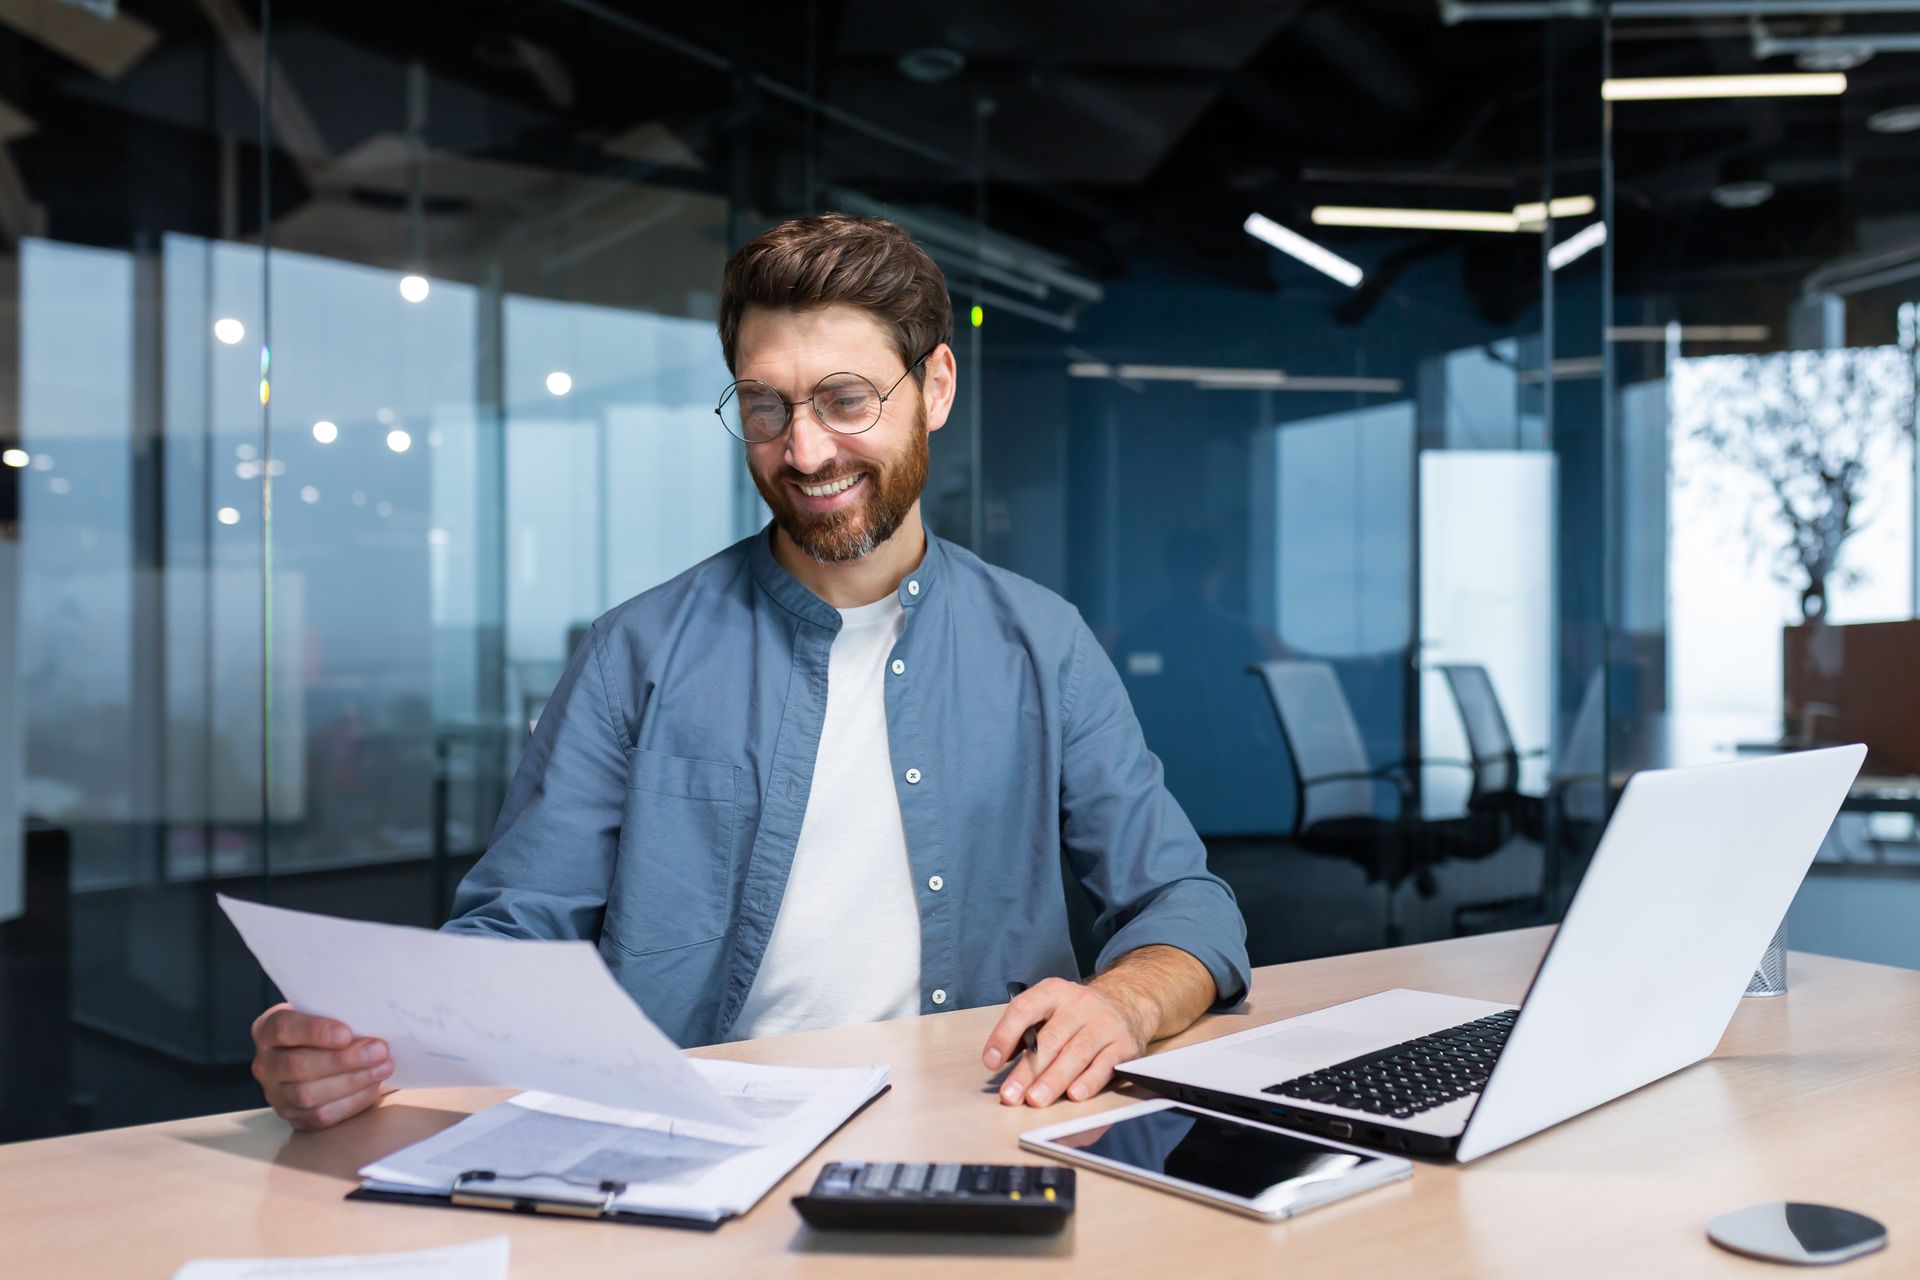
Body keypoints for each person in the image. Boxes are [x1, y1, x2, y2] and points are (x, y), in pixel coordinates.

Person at [250, 214, 1250, 1132]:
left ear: (935, 387)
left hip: (973, 1116)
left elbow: (1185, 904)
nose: (804, 449)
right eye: (765, 406)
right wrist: (362, 1042)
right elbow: (518, 926)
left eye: (845, 400)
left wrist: (1121, 1001)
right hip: (691, 1135)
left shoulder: (1044, 642)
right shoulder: (633, 652)